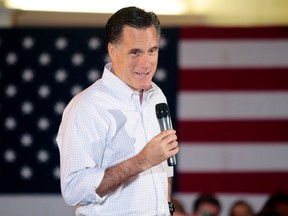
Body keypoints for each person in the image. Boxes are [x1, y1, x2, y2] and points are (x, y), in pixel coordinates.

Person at [56, 6, 179, 216]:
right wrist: (142, 160)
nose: (146, 63)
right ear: (113, 51)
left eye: (152, 50)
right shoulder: (87, 107)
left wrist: (168, 207)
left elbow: (165, 165)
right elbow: (73, 189)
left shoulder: (156, 96)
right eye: (135, 52)